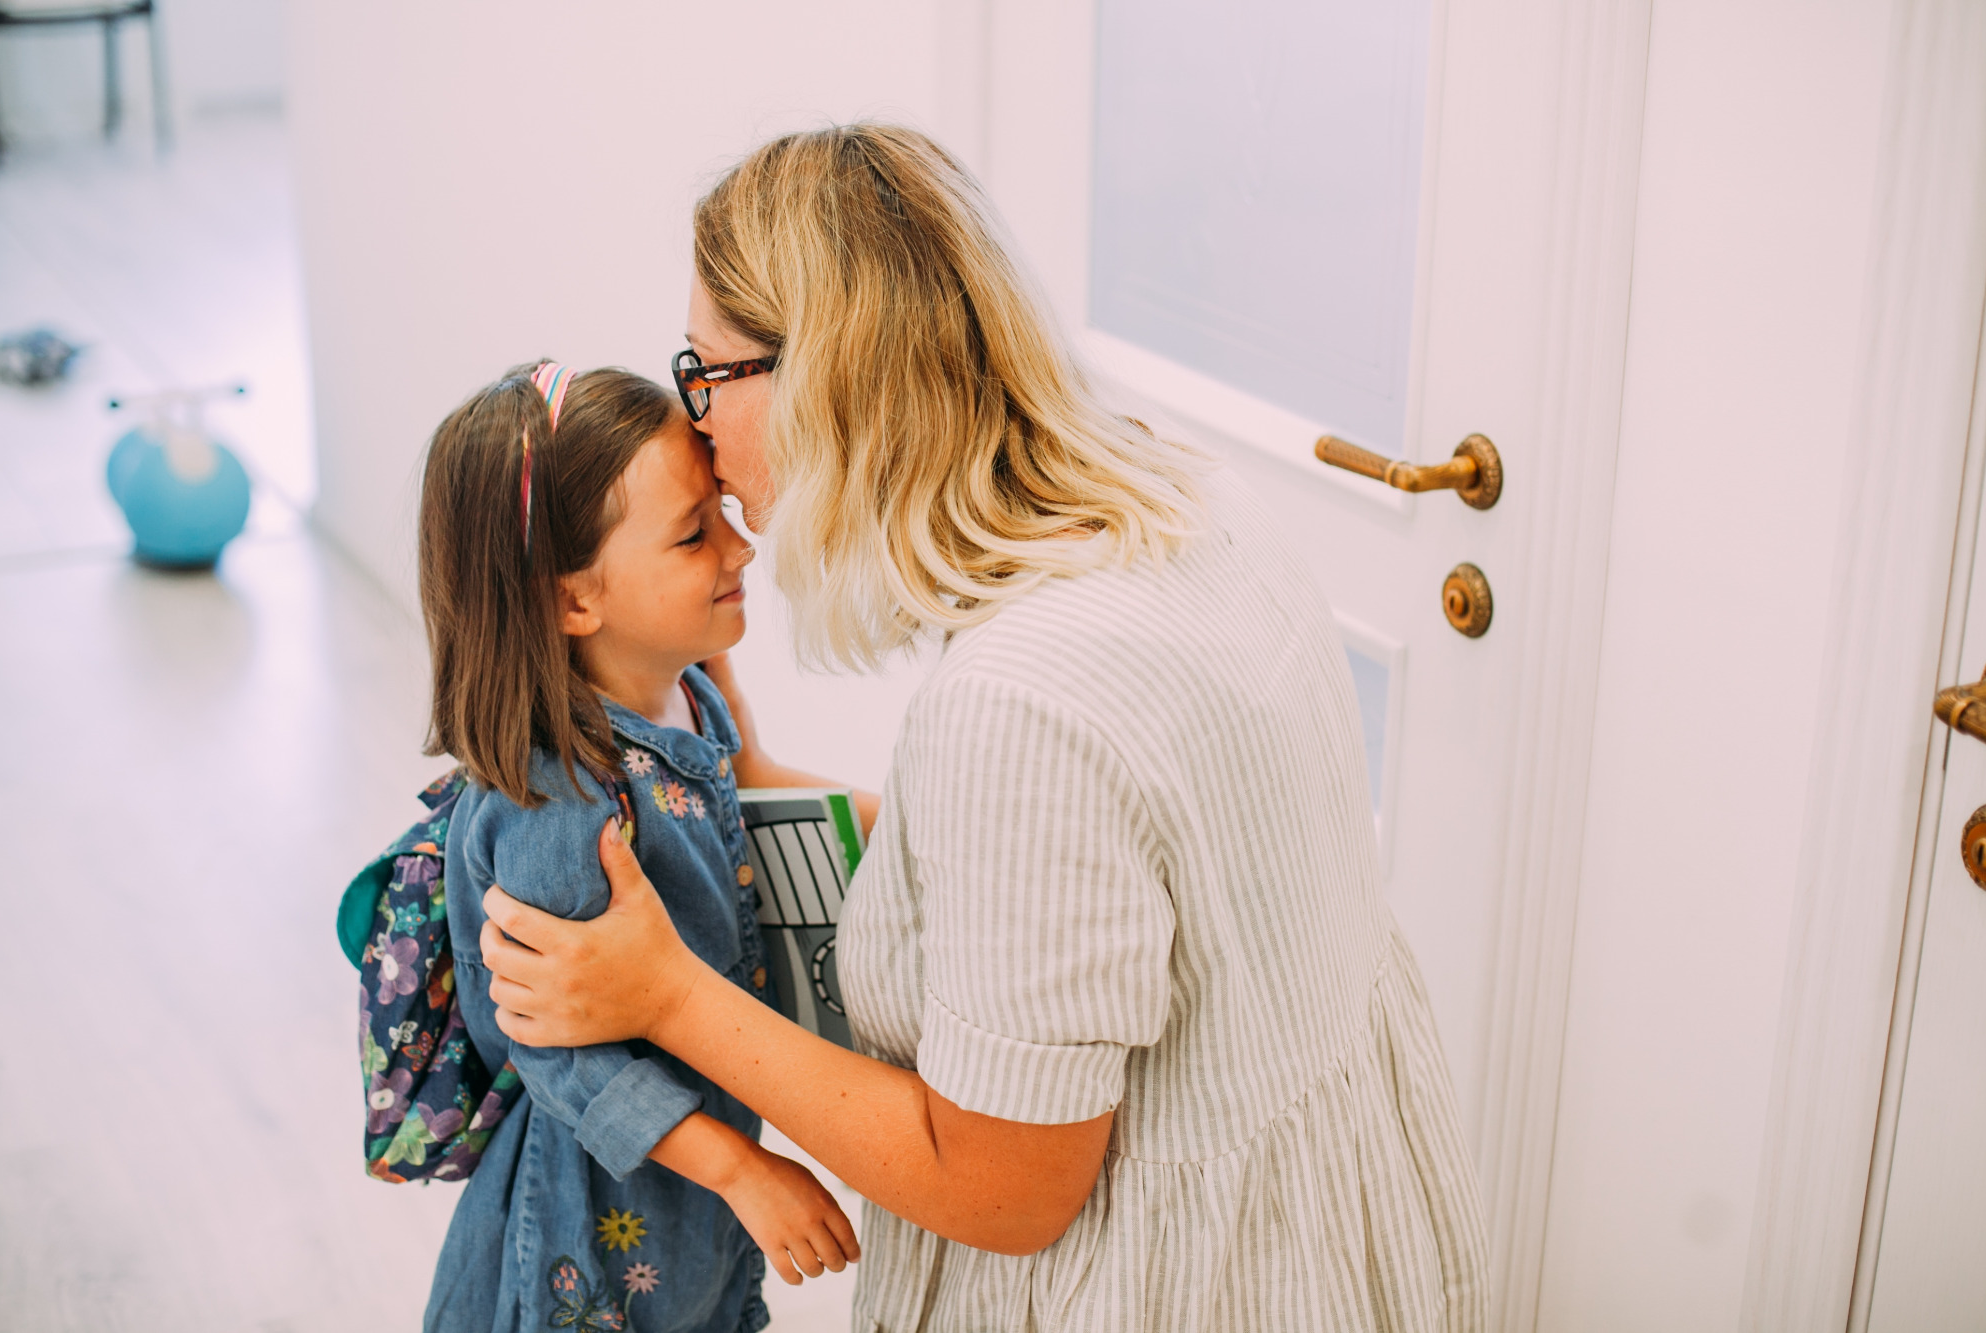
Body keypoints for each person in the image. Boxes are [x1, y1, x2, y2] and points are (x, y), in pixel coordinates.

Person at [479, 126, 1491, 1331]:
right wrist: (752, 783)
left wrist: (669, 999)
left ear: (823, 380)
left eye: (705, 377)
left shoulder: (1018, 706)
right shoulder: (1187, 494)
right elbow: (1098, 882)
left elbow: (1001, 1189)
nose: (693, 429)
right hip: (1336, 1203)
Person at [413, 362, 862, 1333]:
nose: (742, 545)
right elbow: (554, 1049)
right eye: (694, 534)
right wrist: (740, 1168)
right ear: (574, 599)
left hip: (682, 1189)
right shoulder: (561, 800)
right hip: (594, 1219)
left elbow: (743, 804)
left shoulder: (685, 690)